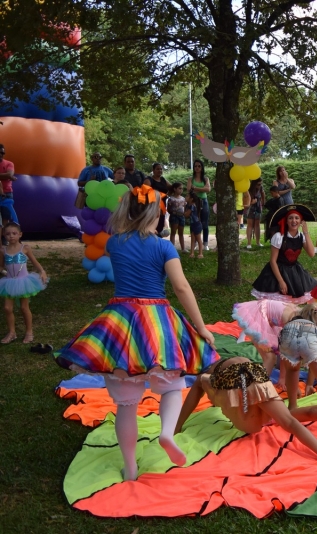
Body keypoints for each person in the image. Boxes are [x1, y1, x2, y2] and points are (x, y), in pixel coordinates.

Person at [53, 185, 218, 481]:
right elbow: (181, 287)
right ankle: (167, 434)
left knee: (126, 404)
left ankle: (130, 467)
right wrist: (201, 327)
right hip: (158, 323)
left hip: (121, 322)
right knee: (171, 387)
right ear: (158, 214)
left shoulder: (114, 243)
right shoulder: (164, 247)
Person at [175, 356, 317, 456]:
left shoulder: (207, 377)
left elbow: (197, 387)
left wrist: (177, 426)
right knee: (287, 420)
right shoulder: (215, 374)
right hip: (254, 374)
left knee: (278, 421)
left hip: (239, 378)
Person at [253, 204, 317, 300]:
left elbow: (312, 253)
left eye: (297, 218)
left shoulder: (301, 236)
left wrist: (306, 232)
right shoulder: (279, 237)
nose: (294, 221)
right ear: (286, 221)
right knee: (279, 300)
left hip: (294, 271)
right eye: (290, 218)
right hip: (278, 271)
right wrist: (281, 281)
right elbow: (273, 261)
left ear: (301, 221)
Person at [0, 223, 48, 344]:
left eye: (14, 233)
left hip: (24, 282)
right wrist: (4, 272)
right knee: (7, 308)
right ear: (4, 235)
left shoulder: (25, 248)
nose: (11, 236)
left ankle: (29, 332)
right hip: (9, 282)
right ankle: (12, 333)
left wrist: (42, 271)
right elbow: (1, 266)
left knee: (24, 307)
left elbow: (35, 262)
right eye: (8, 234)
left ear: (20, 234)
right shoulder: (3, 250)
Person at [187, 159, 211, 250]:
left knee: (205, 221)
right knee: (194, 221)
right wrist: (202, 188)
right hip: (194, 201)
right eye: (195, 166)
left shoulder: (205, 179)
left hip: (204, 200)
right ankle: (195, 242)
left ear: (202, 167)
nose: (197, 168)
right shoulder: (190, 178)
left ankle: (205, 243)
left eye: (199, 166)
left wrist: (196, 188)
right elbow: (189, 189)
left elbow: (208, 189)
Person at [144, 162, 171, 235]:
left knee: (160, 226)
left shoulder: (163, 179)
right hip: (152, 207)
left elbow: (172, 188)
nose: (160, 170)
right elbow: (144, 193)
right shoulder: (149, 180)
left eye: (161, 169)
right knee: (152, 227)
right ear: (153, 170)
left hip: (162, 207)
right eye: (157, 169)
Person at [166, 182, 187, 252]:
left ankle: (183, 248)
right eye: (179, 188)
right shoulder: (171, 199)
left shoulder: (183, 199)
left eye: (182, 189)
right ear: (175, 189)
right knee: (173, 232)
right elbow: (168, 209)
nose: (181, 190)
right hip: (174, 216)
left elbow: (185, 207)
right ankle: (172, 249)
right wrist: (173, 213)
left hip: (182, 217)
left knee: (181, 233)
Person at [184, 193, 204, 259]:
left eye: (187, 196)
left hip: (196, 224)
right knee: (193, 239)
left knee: (198, 239)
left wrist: (180, 211)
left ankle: (200, 253)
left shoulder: (192, 206)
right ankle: (192, 253)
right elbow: (187, 216)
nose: (185, 197)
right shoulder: (188, 205)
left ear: (191, 199)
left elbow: (186, 215)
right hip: (192, 224)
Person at [0, 144, 16, 226]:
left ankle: (4, 238)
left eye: (2, 153)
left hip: (7, 193)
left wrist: (9, 176)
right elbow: (8, 176)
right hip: (5, 193)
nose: (1, 155)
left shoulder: (9, 164)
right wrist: (6, 176)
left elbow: (9, 174)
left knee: (6, 218)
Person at [245, 180, 263, 249]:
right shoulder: (249, 189)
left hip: (258, 207)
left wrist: (262, 202)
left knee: (257, 225)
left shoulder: (260, 188)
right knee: (250, 225)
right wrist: (251, 203)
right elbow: (245, 202)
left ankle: (258, 242)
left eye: (261, 184)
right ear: (254, 184)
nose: (260, 186)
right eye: (258, 184)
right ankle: (249, 243)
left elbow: (262, 195)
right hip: (251, 208)